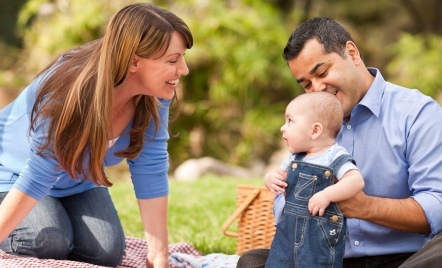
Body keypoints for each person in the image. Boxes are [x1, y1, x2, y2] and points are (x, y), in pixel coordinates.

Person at [237, 17, 442, 268]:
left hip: (406, 259)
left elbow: (437, 205)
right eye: (306, 85)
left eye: (322, 72)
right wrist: (294, 195)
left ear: (352, 53)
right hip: (327, 259)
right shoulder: (309, 125)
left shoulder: (417, 113)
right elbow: (282, 203)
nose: (318, 89)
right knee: (251, 262)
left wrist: (364, 207)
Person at [0, 3, 192, 268]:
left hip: (77, 179)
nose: (184, 69)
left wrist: (159, 255)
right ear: (134, 60)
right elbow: (38, 175)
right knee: (46, 242)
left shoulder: (156, 95)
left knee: (106, 251)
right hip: (12, 172)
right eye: (173, 60)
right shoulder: (69, 89)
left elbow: (151, 169)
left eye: (181, 58)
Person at [264, 92, 364, 268]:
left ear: (315, 130)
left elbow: (355, 181)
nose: (283, 127)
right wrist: (270, 178)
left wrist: (327, 194)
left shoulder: (335, 155)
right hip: (287, 233)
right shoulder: (295, 157)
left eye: (290, 121)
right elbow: (278, 175)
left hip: (318, 237)